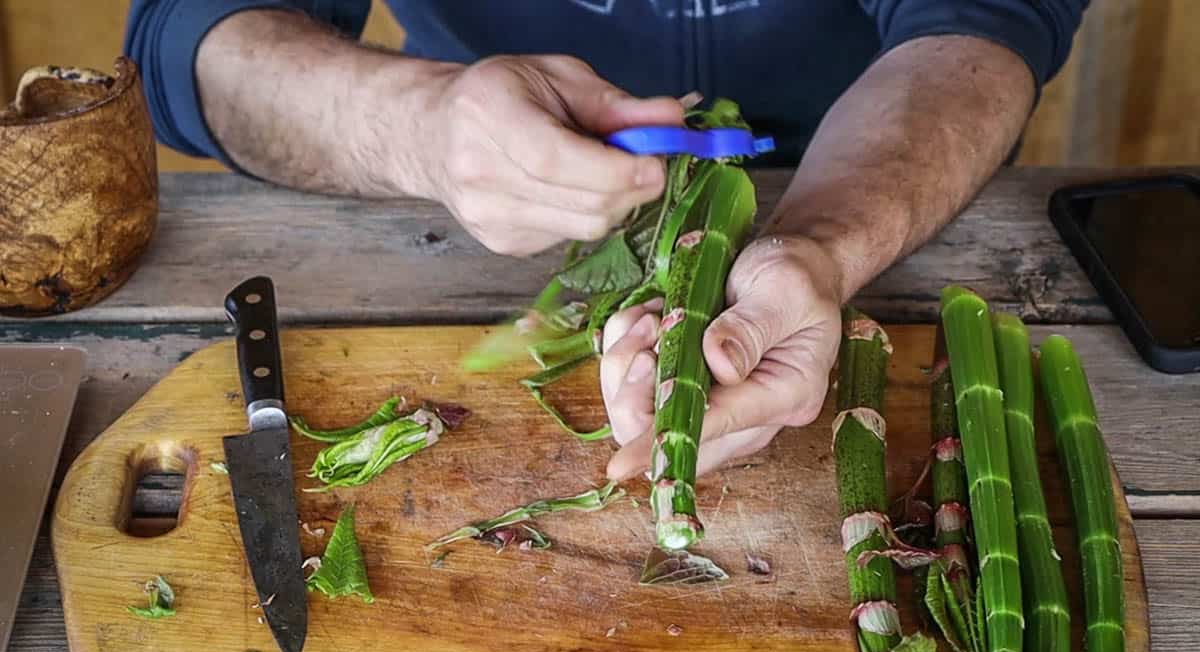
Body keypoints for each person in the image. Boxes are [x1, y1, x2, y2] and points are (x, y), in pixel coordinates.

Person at [126, 1, 1086, 480]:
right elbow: (191, 45)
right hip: (472, 179)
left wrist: (819, 249)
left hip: (880, 175)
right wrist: (426, 125)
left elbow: (985, 23)